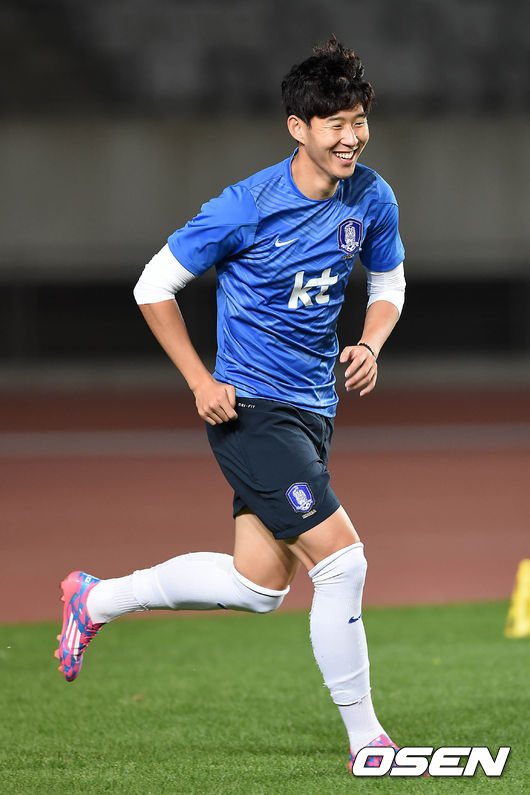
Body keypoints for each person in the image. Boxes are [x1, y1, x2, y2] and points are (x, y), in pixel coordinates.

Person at [55, 37, 406, 775]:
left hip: (312, 411)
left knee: (257, 585)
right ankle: (368, 739)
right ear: (298, 128)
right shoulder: (245, 206)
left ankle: (96, 599)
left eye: (359, 121)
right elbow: (153, 284)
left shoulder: (371, 197)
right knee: (342, 561)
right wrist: (199, 380)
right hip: (251, 411)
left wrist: (371, 343)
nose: (352, 137)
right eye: (336, 124)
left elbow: (389, 282)